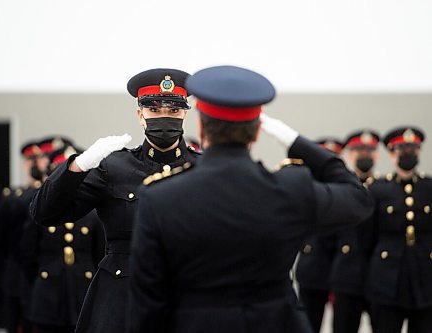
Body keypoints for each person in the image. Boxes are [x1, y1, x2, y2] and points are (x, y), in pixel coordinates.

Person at [127, 65, 374, 333]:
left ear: (200, 125)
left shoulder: (160, 197)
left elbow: (148, 303)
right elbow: (357, 199)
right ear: (258, 131)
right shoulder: (290, 189)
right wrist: (296, 141)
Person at [29, 68, 200, 333]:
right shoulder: (114, 168)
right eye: (154, 110)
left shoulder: (202, 169)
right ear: (140, 114)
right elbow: (44, 213)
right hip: (122, 300)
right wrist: (78, 166)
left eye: (174, 111)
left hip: (189, 297)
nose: (164, 117)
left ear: (185, 114)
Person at [21, 145, 105, 333]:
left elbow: (100, 253)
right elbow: (27, 254)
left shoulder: (93, 214)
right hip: (48, 292)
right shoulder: (40, 210)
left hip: (82, 289)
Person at [366, 126, 432, 333]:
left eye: (413, 148)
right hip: (387, 279)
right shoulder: (377, 189)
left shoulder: (429, 188)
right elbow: (367, 236)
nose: (408, 153)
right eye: (402, 148)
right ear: (391, 152)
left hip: (425, 278)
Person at [0, 140, 48, 333]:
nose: (34, 164)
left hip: (47, 272)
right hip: (18, 273)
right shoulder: (13, 197)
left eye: (39, 159)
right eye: (30, 160)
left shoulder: (51, 195)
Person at [330, 130, 380, 333]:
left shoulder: (383, 189)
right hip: (346, 275)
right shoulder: (339, 189)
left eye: (370, 150)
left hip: (379, 277)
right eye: (359, 150)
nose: (364, 155)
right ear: (349, 154)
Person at [295, 137, 343, 332]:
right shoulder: (305, 187)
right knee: (309, 325)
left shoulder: (344, 190)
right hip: (313, 267)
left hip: (344, 268)